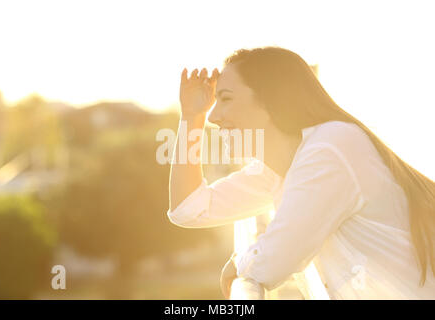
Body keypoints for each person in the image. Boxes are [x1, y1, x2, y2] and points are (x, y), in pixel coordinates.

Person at [167, 46, 435, 299]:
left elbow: (272, 263)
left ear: (270, 100)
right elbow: (187, 209)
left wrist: (240, 261)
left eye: (225, 98)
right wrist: (191, 117)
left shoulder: (331, 147)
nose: (214, 117)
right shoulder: (282, 168)